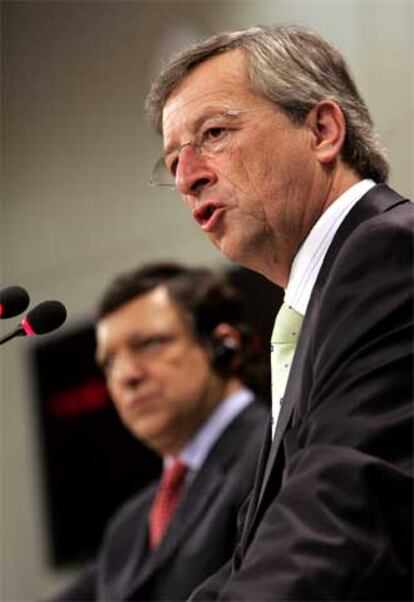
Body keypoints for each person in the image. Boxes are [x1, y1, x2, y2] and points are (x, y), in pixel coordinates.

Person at [145, 25, 414, 600]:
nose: (187, 178)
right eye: (172, 162)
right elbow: (251, 556)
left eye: (213, 134)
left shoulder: (389, 253)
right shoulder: (314, 303)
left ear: (322, 130)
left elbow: (343, 507)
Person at [51, 262, 269, 601]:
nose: (126, 375)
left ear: (223, 344)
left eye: (149, 344)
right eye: (109, 362)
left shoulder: (278, 449)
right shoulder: (129, 525)